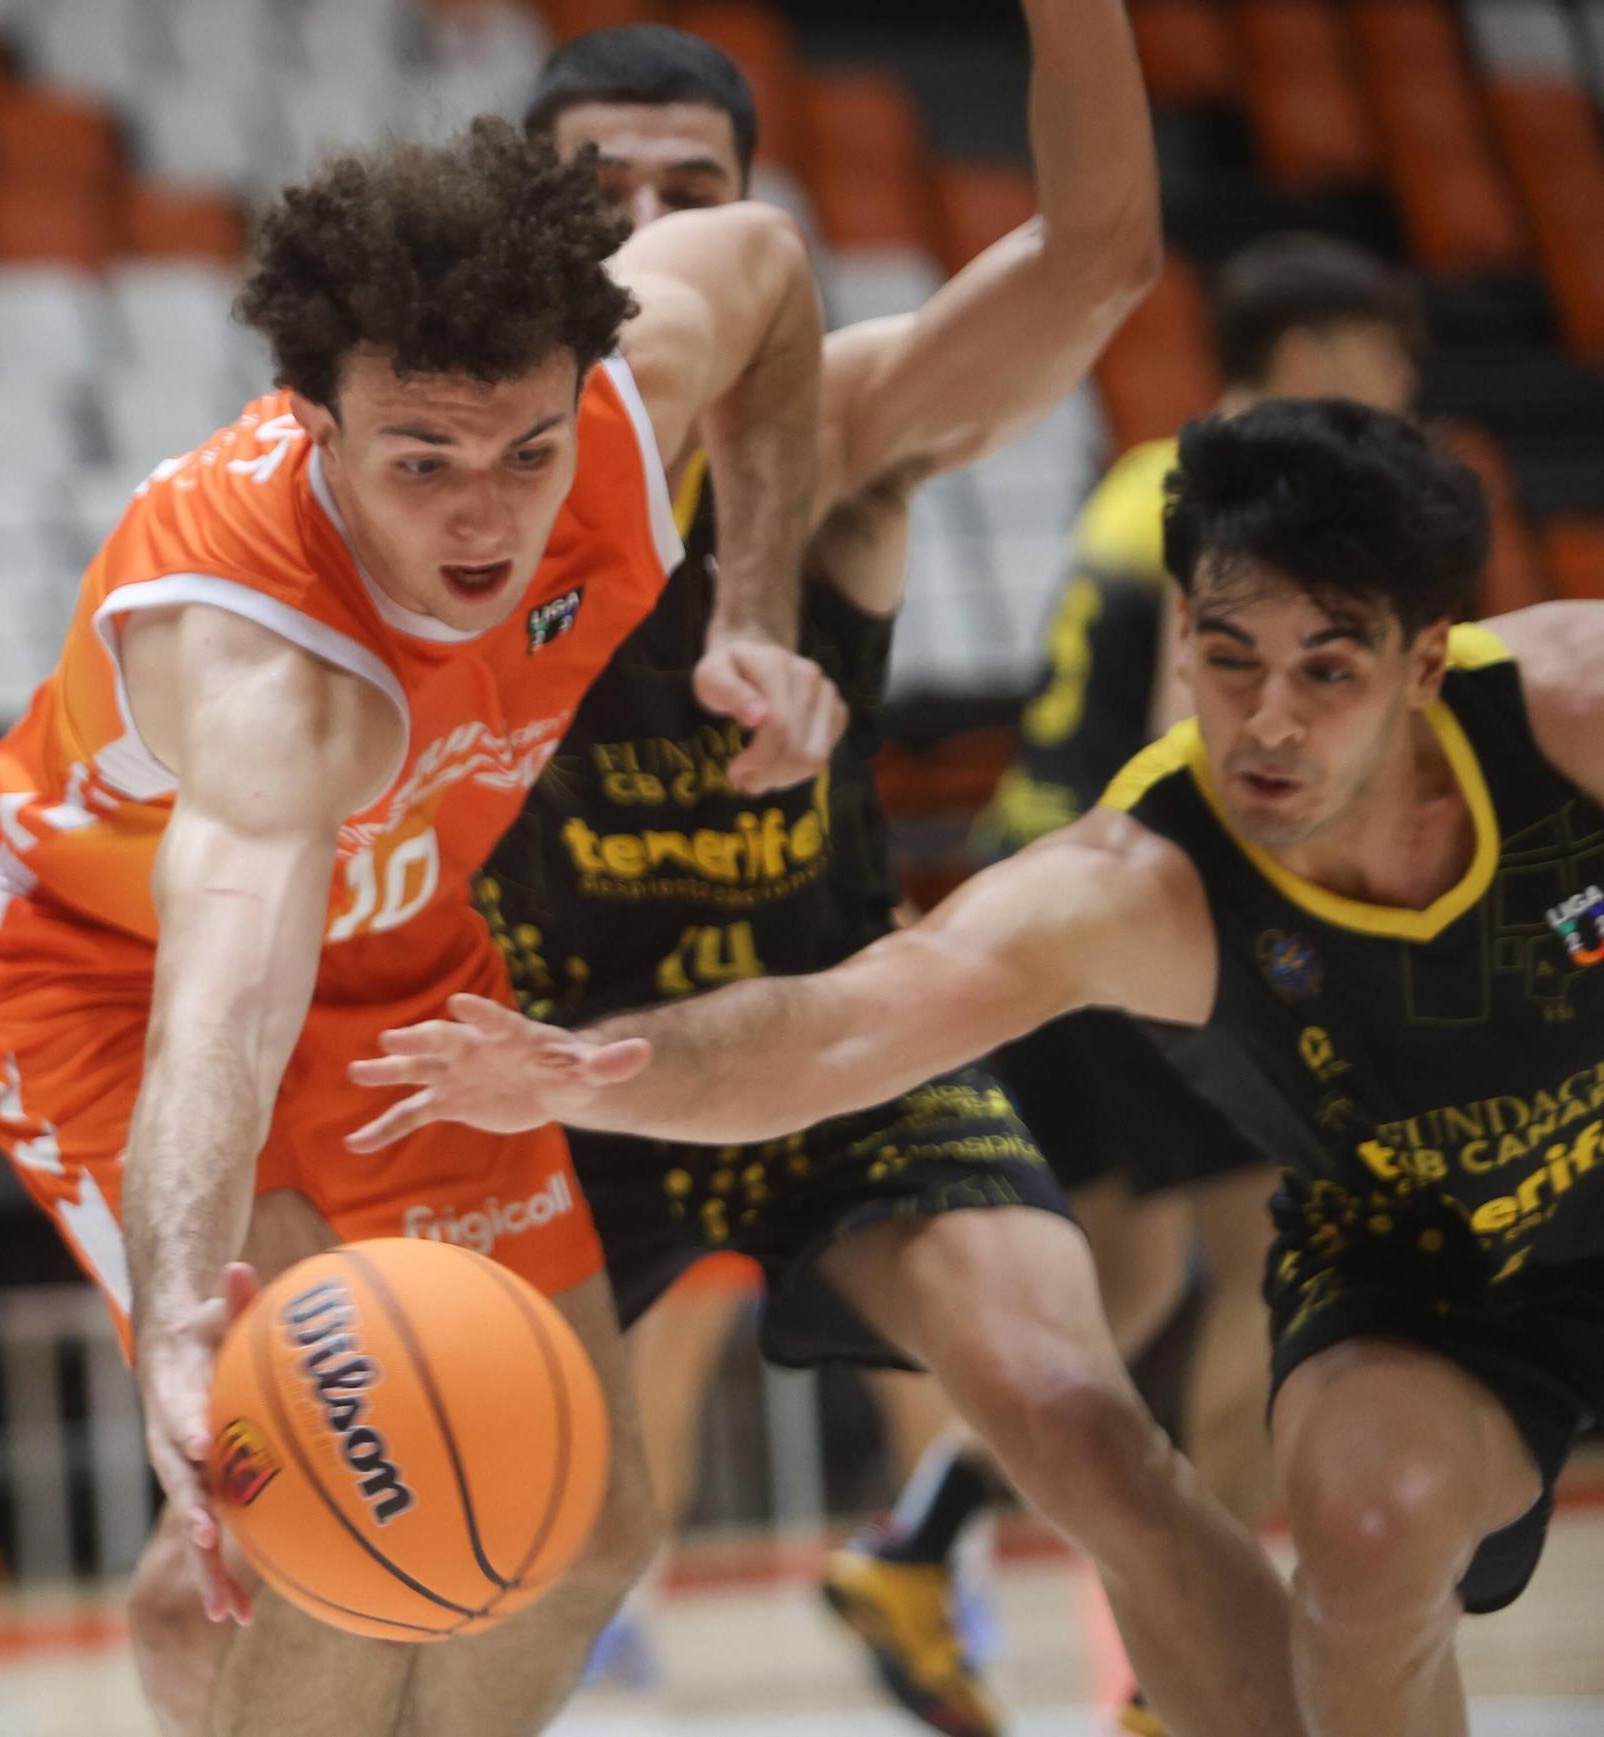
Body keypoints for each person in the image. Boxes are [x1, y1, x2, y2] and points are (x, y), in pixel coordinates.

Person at [355, 397, 1604, 1737]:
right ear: (1184, 646)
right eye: (1230, 660)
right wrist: (582, 1067)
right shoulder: (1141, 880)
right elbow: (840, 1028)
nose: (1271, 722)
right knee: (1361, 1524)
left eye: (1328, 672)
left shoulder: (1568, 712)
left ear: (1424, 665)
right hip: (1422, 1264)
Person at [0, 117, 841, 1737]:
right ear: (316, 420)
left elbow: (764, 270)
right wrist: (188, 1323)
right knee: (345, 1510)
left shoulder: (624, 403)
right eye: (421, 460)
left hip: (399, 945)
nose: (486, 519)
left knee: (583, 1522)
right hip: (99, 972)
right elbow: (222, 1014)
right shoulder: (271, 671)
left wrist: (755, 608)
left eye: (525, 455)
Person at [493, 16, 1285, 1735]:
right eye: (598, 189)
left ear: (757, 225)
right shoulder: (442, 471)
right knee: (540, 1555)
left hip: (839, 1040)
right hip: (552, 1070)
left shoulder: (844, 419)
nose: (645, 225)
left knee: (1090, 1419)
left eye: (691, 191)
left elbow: (1099, 255)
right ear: (517, 221)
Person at [857, 232, 1424, 1736]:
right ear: (1308, 360)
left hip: (1034, 912)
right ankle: (1181, 1679)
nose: (1407, 382)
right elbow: (1233, 747)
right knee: (1255, 1265)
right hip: (1130, 927)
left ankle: (916, 1546)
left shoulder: (1138, 485)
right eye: (1383, 353)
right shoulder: (1245, 516)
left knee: (1118, 1286)